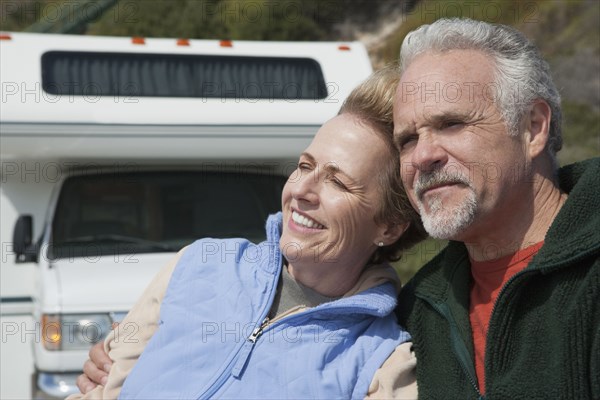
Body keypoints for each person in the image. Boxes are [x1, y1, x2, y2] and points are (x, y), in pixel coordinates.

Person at [68, 67, 426, 399]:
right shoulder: (195, 264)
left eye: (337, 182)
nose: (302, 191)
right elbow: (98, 390)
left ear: (390, 227)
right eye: (305, 166)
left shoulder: (383, 363)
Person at [389, 18, 599, 399]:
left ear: (533, 128)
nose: (423, 155)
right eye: (406, 140)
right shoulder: (417, 310)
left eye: (451, 124)